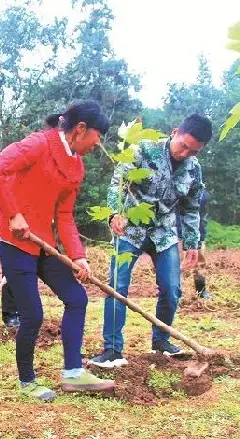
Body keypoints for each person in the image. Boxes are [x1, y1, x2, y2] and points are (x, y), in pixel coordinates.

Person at [0, 100, 115, 401]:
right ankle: (27, 381)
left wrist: (78, 256)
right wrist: (13, 213)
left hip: (43, 242)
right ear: (81, 129)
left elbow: (65, 216)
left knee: (77, 297)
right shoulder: (38, 144)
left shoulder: (76, 167)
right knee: (32, 314)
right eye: (97, 136)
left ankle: (72, 374)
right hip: (13, 240)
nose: (97, 144)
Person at [89, 114, 212, 369]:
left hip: (164, 231)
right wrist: (114, 213)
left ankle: (161, 342)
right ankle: (112, 350)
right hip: (130, 228)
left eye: (193, 151)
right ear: (175, 131)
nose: (184, 153)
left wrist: (192, 242)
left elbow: (191, 207)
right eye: (183, 145)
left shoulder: (193, 168)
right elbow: (117, 184)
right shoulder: (143, 149)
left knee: (172, 288)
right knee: (117, 286)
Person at [0, 195, 20, 329]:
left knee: (29, 271)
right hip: (6, 230)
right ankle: (10, 313)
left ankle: (25, 311)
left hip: (32, 228)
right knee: (10, 271)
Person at [178, 189, 212, 299]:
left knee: (199, 263)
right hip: (177, 232)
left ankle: (201, 290)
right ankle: (176, 292)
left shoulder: (202, 193)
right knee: (175, 263)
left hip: (197, 232)